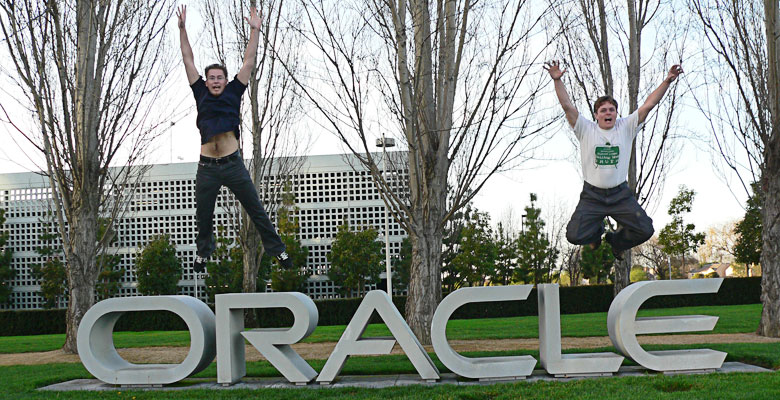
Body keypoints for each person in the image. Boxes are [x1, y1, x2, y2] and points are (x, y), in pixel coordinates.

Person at [177, 5, 291, 272]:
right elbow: (188, 60)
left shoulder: (234, 91)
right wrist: (182, 30)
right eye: (211, 78)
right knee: (203, 215)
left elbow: (249, 62)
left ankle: (278, 250)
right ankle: (204, 252)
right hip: (207, 168)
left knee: (256, 209)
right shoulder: (200, 92)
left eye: (220, 78)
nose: (215, 81)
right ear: (206, 82)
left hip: (232, 164)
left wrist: (255, 31)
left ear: (226, 80)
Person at [544, 60, 683, 260]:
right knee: (574, 235)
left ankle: (616, 242)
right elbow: (567, 107)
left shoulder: (625, 127)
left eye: (611, 110)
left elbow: (649, 105)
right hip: (592, 196)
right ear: (596, 115)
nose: (608, 113)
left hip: (620, 195)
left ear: (616, 114)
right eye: (603, 111)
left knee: (645, 229)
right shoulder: (586, 129)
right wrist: (557, 81)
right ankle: (596, 230)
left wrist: (667, 81)